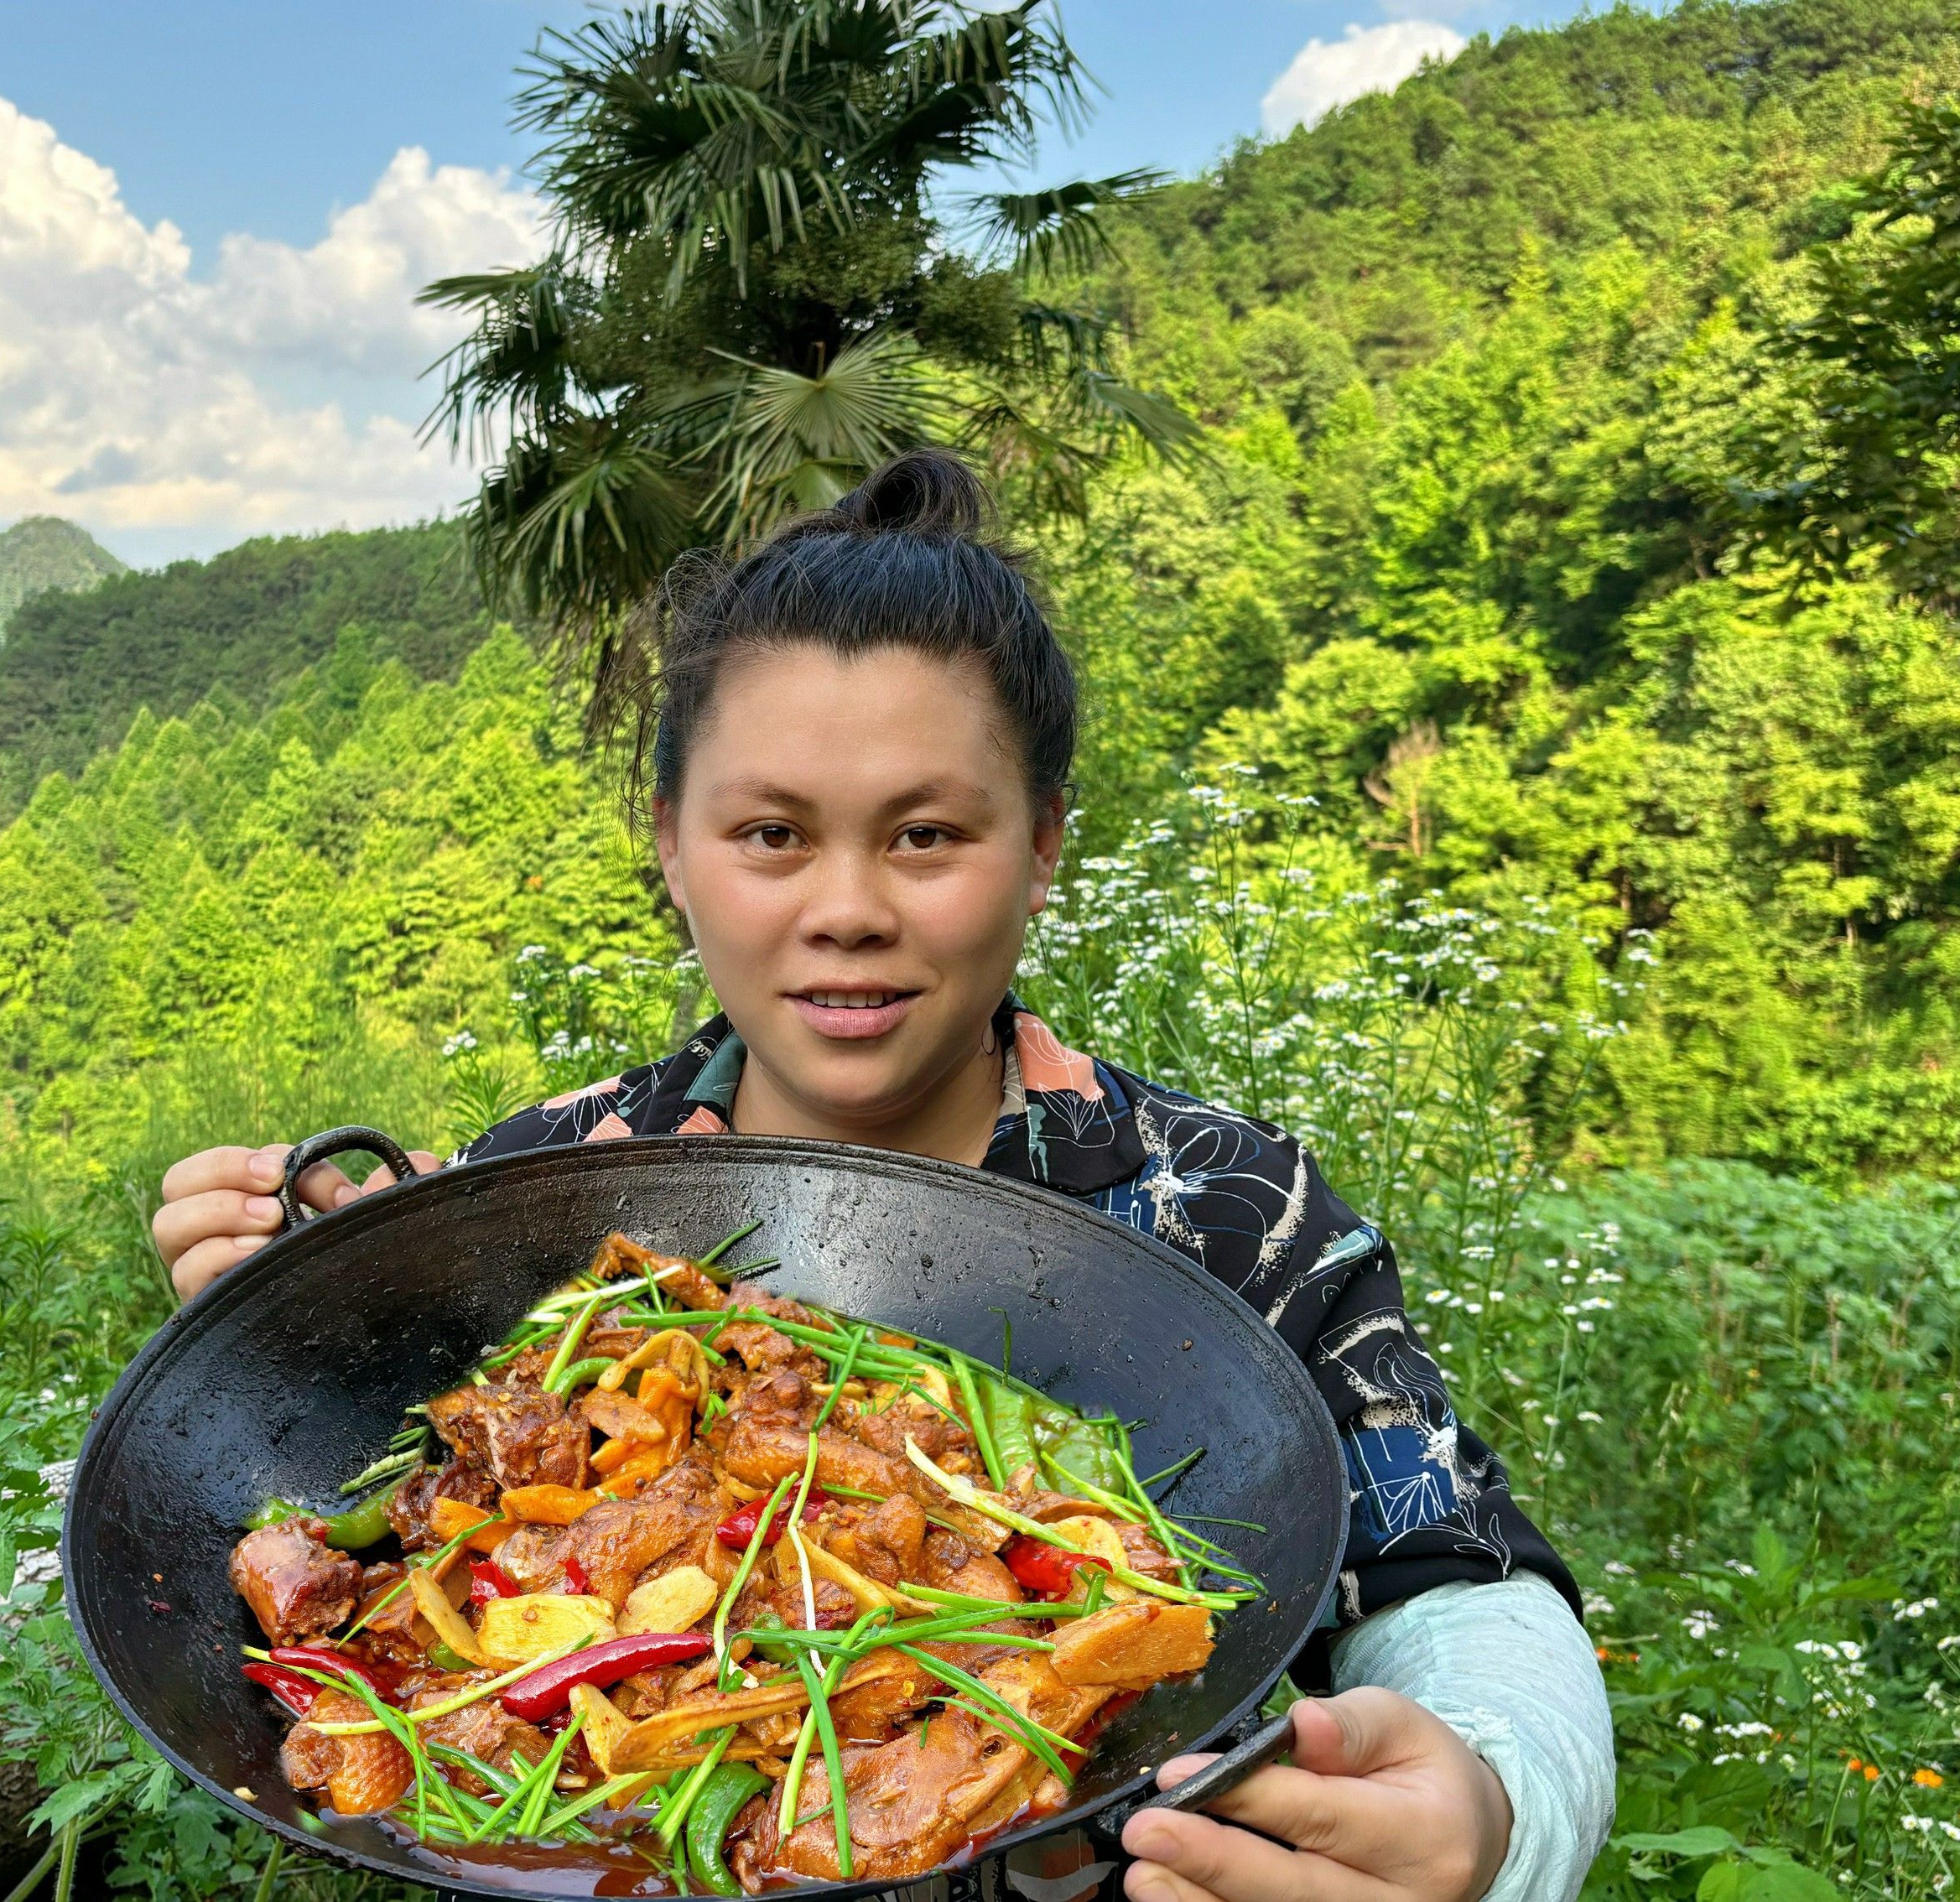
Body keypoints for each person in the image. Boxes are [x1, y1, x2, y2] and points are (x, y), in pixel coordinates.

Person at [152, 450, 1615, 1902]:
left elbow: (1456, 1585)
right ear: (671, 849)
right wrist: (285, 1295)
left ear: (1040, 847)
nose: (847, 910)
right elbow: (315, 1490)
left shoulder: (1229, 1209)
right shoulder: (536, 1185)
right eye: (771, 834)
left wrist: (1496, 1807)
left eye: (927, 835)